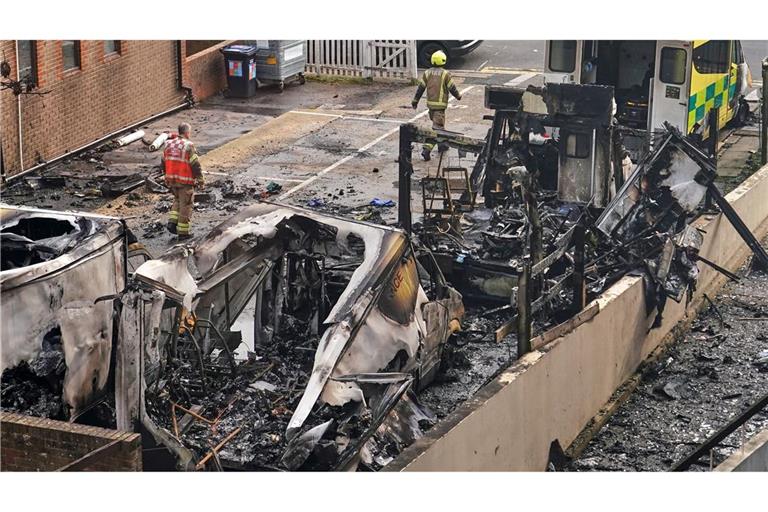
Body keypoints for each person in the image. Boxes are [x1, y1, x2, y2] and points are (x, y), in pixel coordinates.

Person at [411, 50, 462, 161]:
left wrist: (415, 100)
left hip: (431, 106)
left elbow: (420, 88)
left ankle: (442, 145)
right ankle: (427, 149)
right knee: (437, 129)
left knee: (439, 126)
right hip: (440, 107)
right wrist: (458, 96)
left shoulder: (427, 73)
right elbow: (452, 87)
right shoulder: (445, 74)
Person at [162, 122, 203, 239]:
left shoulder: (168, 144)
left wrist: (166, 175)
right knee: (186, 205)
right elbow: (195, 164)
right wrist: (200, 179)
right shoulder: (188, 146)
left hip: (171, 179)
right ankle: (183, 233)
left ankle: (172, 223)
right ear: (186, 133)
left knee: (178, 200)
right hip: (185, 181)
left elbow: (163, 161)